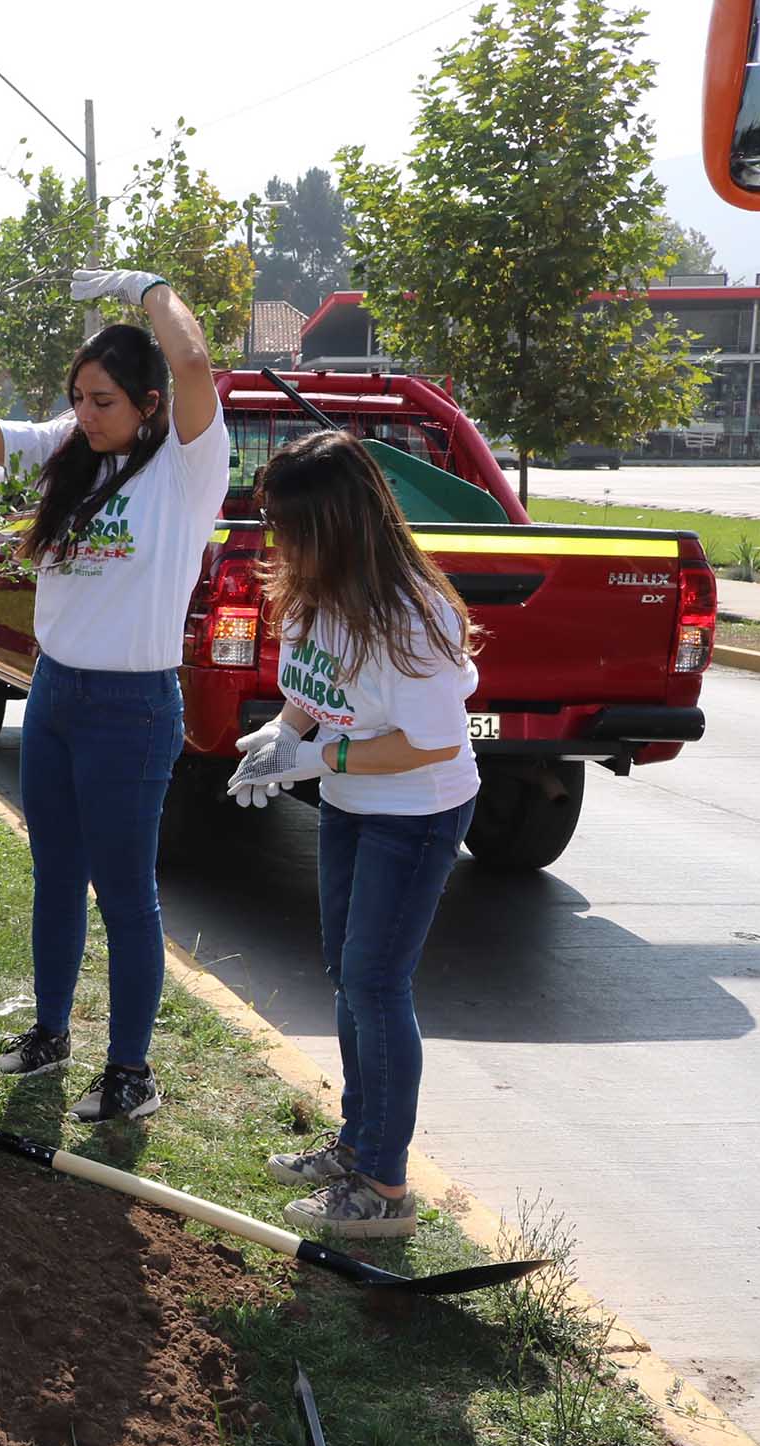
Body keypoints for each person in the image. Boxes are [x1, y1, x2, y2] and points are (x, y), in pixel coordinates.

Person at [0, 270, 228, 1122]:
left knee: (125, 894)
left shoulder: (186, 468)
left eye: (104, 401)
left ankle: (130, 1073)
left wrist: (147, 288)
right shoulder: (70, 453)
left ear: (149, 404)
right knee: (56, 876)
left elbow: (193, 360)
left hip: (131, 707)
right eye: (77, 398)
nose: (86, 414)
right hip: (55, 697)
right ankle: (51, 1032)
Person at [228, 429, 481, 1239]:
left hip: (417, 812)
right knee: (350, 975)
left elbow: (432, 743)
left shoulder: (412, 616)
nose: (276, 543)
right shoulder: (316, 590)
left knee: (376, 983)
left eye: (287, 527)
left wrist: (317, 756)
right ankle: (357, 1145)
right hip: (351, 803)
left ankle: (385, 1187)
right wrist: (285, 732)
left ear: (334, 527)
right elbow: (312, 687)